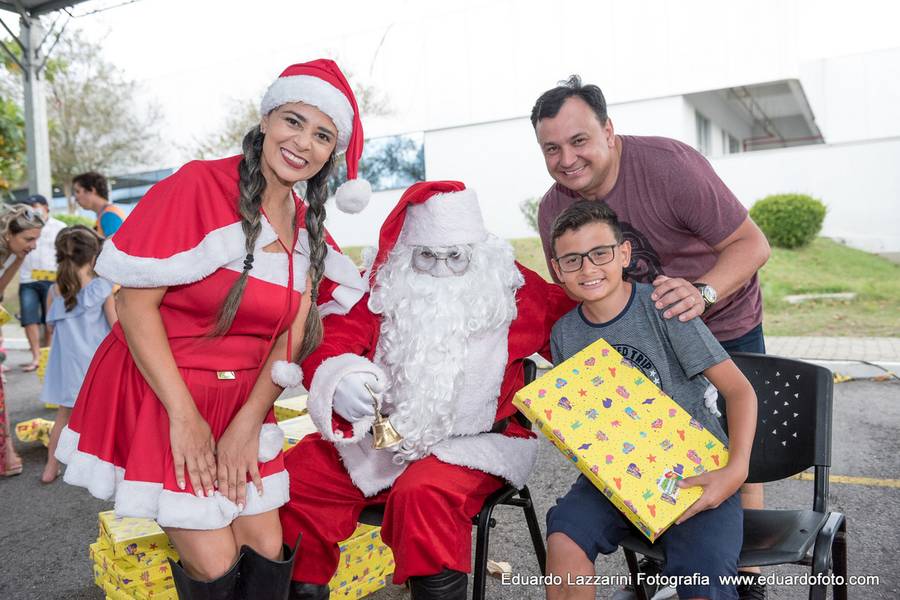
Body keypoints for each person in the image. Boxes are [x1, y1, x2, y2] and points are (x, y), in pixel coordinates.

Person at [55, 59, 371, 599]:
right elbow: (133, 306)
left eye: (322, 136)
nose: (303, 143)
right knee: (215, 561)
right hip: (163, 389)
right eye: (293, 121)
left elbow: (291, 335)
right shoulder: (199, 185)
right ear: (267, 120)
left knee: (267, 550)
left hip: (242, 398)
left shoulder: (306, 225)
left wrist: (247, 424)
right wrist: (185, 419)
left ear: (331, 155)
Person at [532, 76, 771, 599]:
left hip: (716, 314)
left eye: (578, 140)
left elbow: (751, 244)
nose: (566, 158)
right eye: (552, 148)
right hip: (635, 368)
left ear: (609, 132)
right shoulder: (556, 213)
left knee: (731, 452)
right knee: (591, 513)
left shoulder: (669, 167)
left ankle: (741, 577)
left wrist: (701, 295)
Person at [281, 181, 573, 600]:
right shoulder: (382, 288)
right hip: (385, 440)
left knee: (423, 494)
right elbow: (333, 339)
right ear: (405, 254)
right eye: (426, 256)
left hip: (475, 444)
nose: (439, 269)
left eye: (455, 257)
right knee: (297, 478)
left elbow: (586, 326)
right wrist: (340, 376)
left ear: (477, 250)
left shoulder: (515, 290)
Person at [545, 201, 757, 600]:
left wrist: (736, 469)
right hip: (619, 472)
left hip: (695, 471)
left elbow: (739, 390)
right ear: (558, 269)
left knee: (703, 576)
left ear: (624, 253)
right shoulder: (565, 335)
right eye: (572, 260)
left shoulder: (665, 308)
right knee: (565, 534)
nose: (588, 269)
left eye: (600, 253)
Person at [39, 226, 116, 483]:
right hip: (98, 365)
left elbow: (50, 327)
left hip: (69, 368)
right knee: (107, 415)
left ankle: (51, 466)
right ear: (94, 256)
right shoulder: (103, 287)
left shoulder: (54, 292)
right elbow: (116, 326)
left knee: (63, 416)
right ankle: (106, 469)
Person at [0, 205, 45, 477]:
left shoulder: (9, 251)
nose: (34, 246)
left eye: (36, 239)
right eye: (29, 239)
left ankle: (6, 452)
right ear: (8, 235)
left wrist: (19, 257)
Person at [16, 194, 67, 372]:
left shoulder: (59, 227)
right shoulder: (22, 227)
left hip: (51, 279)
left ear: (46, 207)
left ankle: (49, 357)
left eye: (36, 206)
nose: (33, 210)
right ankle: (36, 357)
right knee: (29, 319)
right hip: (27, 279)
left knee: (50, 319)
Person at [72, 171, 125, 238]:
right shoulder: (106, 214)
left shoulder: (109, 216)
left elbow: (114, 247)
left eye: (77, 191)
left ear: (92, 190)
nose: (75, 198)